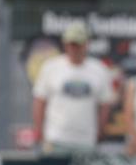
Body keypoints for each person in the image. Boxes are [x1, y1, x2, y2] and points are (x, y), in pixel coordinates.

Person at [32, 22, 115, 154]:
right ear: (65, 44)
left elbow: (105, 103)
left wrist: (100, 130)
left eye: (78, 44)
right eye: (71, 44)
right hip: (56, 138)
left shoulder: (99, 69)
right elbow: (39, 101)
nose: (74, 48)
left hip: (86, 140)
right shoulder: (51, 67)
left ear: (86, 44)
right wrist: (40, 131)